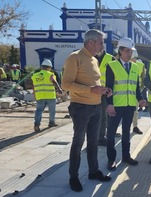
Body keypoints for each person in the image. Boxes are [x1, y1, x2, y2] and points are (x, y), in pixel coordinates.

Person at [61, 29, 112, 192]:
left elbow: (94, 83)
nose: (102, 45)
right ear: (91, 42)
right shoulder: (74, 57)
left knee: (93, 142)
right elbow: (66, 84)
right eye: (101, 42)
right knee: (78, 143)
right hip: (81, 107)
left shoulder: (94, 60)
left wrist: (103, 90)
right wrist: (92, 90)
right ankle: (73, 177)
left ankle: (93, 171)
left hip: (96, 106)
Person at [105, 37, 146, 171]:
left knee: (126, 133)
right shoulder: (112, 66)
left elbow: (135, 87)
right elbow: (108, 87)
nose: (130, 54)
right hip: (116, 106)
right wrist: (109, 104)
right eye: (127, 51)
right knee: (111, 133)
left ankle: (126, 156)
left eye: (131, 51)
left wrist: (140, 99)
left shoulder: (135, 67)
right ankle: (111, 159)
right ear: (120, 51)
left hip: (130, 106)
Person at [31, 59, 63, 132]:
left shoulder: (35, 75)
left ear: (42, 67)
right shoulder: (50, 74)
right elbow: (54, 81)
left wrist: (35, 94)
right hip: (50, 96)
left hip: (40, 96)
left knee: (39, 111)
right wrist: (59, 89)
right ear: (49, 67)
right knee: (52, 110)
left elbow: (33, 86)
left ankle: (37, 125)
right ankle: (51, 122)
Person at [95, 50, 116, 146]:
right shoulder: (90, 57)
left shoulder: (110, 58)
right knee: (93, 117)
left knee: (103, 116)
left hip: (105, 92)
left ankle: (101, 137)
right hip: (92, 92)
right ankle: (95, 137)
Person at [131, 50, 145, 135]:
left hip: (136, 91)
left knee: (135, 110)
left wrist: (141, 90)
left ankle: (135, 126)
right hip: (122, 92)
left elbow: (143, 78)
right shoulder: (120, 63)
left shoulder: (140, 65)